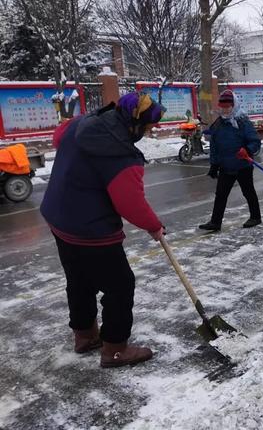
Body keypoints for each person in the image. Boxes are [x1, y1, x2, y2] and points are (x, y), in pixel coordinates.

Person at [40, 92, 166, 368]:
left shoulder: (85, 123)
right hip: (91, 229)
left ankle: (84, 336)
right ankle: (115, 349)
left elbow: (59, 137)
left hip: (58, 217)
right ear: (133, 124)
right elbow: (129, 203)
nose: (148, 131)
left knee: (79, 278)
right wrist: (154, 226)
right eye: (147, 127)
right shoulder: (120, 152)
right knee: (120, 285)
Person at [199, 90, 262, 232]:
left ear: (234, 106)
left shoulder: (242, 121)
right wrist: (214, 165)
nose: (225, 110)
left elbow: (255, 141)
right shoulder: (219, 123)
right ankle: (215, 222)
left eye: (227, 107)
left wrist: (247, 149)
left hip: (243, 165)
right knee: (220, 194)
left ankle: (255, 216)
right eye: (222, 107)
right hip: (225, 166)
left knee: (248, 192)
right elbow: (214, 145)